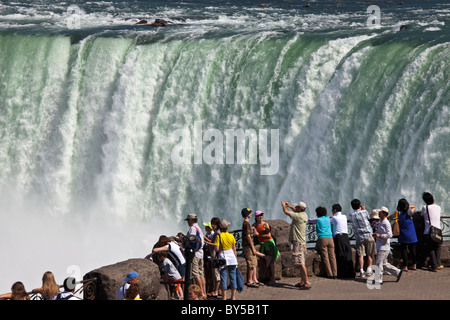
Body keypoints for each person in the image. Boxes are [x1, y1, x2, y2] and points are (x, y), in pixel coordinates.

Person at [281, 201, 311, 289]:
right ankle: (302, 281)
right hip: (301, 242)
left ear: (300, 209)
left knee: (301, 263)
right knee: (300, 262)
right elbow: (294, 210)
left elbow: (286, 212)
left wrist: (283, 206)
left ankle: (306, 282)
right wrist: (289, 205)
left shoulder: (298, 216)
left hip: (298, 243)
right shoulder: (304, 214)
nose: (295, 208)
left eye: (297, 207)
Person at [372, 207, 403, 284]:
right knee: (383, 263)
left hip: (384, 246)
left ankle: (378, 280)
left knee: (379, 263)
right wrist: (376, 234)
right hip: (381, 245)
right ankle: (397, 272)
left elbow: (390, 235)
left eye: (380, 212)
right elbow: (380, 232)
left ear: (384, 214)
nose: (379, 214)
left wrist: (379, 236)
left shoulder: (386, 223)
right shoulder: (381, 221)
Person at [241, 207, 270, 288]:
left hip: (249, 245)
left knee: (254, 262)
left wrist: (253, 228)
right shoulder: (246, 224)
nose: (251, 214)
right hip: (248, 246)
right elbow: (248, 236)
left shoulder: (247, 223)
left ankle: (255, 279)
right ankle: (249, 281)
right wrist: (253, 247)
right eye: (250, 213)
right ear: (247, 215)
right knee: (251, 263)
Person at [349, 199, 376, 277]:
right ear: (359, 205)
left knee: (361, 254)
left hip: (359, 237)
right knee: (370, 253)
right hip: (368, 235)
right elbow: (368, 217)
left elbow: (351, 220)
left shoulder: (351, 215)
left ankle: (361, 270)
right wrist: (363, 209)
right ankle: (369, 269)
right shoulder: (364, 212)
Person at [308, 206, 338, 279]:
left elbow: (309, 220)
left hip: (322, 238)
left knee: (325, 257)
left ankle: (329, 274)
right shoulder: (328, 219)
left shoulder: (318, 219)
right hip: (330, 238)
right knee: (332, 256)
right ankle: (335, 273)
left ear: (317, 214)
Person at [388, 199, 418, 271]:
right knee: (413, 250)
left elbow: (389, 217)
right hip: (411, 234)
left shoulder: (397, 213)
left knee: (404, 250)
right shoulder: (409, 212)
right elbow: (414, 207)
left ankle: (405, 266)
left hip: (403, 234)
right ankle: (414, 265)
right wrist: (407, 207)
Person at [253, 210, 280, 285]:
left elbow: (268, 235)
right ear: (256, 217)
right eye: (259, 215)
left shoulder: (265, 224)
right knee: (266, 260)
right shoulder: (255, 225)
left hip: (269, 243)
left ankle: (273, 279)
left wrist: (258, 235)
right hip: (262, 244)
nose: (261, 217)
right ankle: (268, 277)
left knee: (271, 262)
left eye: (262, 215)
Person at [214, 220, 238, 300]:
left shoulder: (219, 236)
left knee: (223, 277)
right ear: (227, 227)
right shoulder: (231, 236)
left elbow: (216, 249)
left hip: (223, 257)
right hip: (232, 257)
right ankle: (233, 297)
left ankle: (224, 297)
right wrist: (236, 259)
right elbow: (234, 249)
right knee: (233, 277)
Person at [185, 213, 207, 299]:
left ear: (191, 220)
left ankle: (201, 293)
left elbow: (191, 239)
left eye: (188, 220)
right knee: (201, 273)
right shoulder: (199, 228)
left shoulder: (192, 228)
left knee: (195, 273)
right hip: (201, 253)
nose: (187, 222)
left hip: (195, 253)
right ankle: (204, 292)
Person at [331, 204, 355, 278]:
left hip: (339, 237)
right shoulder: (344, 216)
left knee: (340, 254)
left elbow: (329, 221)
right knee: (348, 254)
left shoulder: (334, 218)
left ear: (335, 210)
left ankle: (342, 273)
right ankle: (351, 272)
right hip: (346, 236)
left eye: (332, 210)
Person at [421, 192, 443, 272]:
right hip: (438, 230)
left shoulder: (425, 207)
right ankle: (438, 264)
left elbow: (422, 215)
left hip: (429, 231)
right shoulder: (438, 207)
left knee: (431, 248)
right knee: (438, 247)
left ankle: (434, 266)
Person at [203, 217, 221, 298]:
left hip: (215, 256)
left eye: (213, 224)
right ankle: (219, 290)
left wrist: (206, 242)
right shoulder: (219, 232)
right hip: (216, 255)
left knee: (216, 273)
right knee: (217, 273)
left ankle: (216, 291)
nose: (212, 226)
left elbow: (216, 246)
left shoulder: (217, 233)